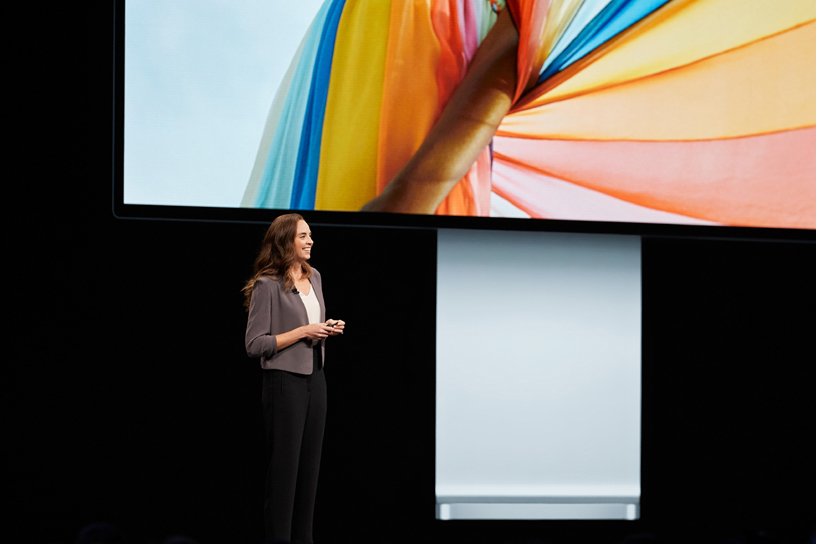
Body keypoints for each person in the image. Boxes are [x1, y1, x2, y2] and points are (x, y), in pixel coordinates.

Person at [243, 213, 345, 543]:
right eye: (303, 236)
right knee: (285, 472)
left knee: (310, 472)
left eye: (310, 235)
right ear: (286, 241)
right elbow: (255, 344)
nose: (310, 241)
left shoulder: (314, 276)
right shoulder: (267, 285)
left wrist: (325, 329)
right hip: (284, 382)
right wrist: (303, 331)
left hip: (316, 378)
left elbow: (311, 325)